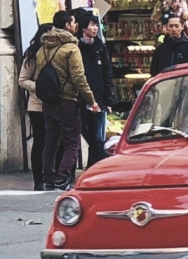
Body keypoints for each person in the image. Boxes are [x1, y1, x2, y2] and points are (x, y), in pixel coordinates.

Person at [35, 11, 101, 190]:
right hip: (67, 100)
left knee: (51, 141)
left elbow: (38, 75)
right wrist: (91, 100)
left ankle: (48, 178)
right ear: (67, 26)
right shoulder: (71, 48)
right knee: (72, 142)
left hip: (48, 101)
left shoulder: (43, 48)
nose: (76, 25)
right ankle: (62, 178)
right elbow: (79, 78)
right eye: (73, 23)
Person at [75, 12, 115, 168]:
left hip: (97, 99)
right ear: (83, 28)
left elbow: (107, 73)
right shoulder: (76, 48)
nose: (95, 28)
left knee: (97, 138)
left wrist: (108, 100)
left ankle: (94, 168)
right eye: (92, 25)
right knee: (84, 132)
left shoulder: (100, 47)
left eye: (96, 25)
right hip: (79, 98)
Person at [18, 23, 55, 189]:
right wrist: (38, 87)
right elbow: (22, 80)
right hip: (37, 105)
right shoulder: (32, 55)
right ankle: (38, 179)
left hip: (54, 103)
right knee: (40, 140)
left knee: (54, 141)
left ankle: (51, 176)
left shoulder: (58, 53)